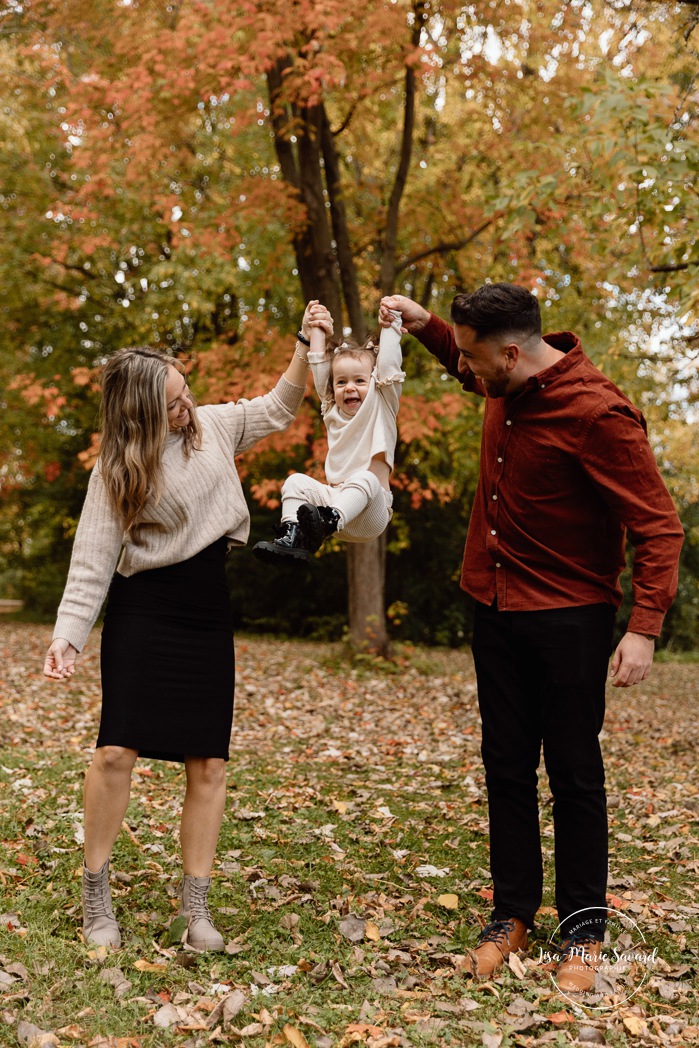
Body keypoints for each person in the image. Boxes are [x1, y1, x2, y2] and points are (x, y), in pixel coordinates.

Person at [379, 284, 683, 993]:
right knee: (505, 767)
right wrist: (425, 326)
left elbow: (657, 525)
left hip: (569, 618)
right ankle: (511, 913)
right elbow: (462, 358)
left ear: (511, 353)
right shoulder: (503, 376)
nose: (470, 372)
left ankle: (581, 928)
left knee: (573, 773)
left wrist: (642, 628)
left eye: (477, 360)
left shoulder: (597, 414)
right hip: (494, 607)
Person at [42, 301, 332, 951]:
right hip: (144, 608)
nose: (186, 406)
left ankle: (195, 909)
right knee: (116, 751)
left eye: (186, 392)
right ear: (140, 412)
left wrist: (304, 342)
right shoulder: (119, 466)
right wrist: (68, 636)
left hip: (206, 607)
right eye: (173, 402)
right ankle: (96, 896)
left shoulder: (214, 427)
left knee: (208, 762)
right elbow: (92, 557)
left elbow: (280, 406)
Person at [253, 306, 404, 563]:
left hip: (371, 512)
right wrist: (316, 329)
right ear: (333, 389)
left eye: (359, 381)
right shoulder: (331, 409)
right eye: (342, 382)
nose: (349, 388)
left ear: (374, 382)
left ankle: (327, 521)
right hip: (336, 501)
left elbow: (389, 364)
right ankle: (295, 536)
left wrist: (391, 323)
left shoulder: (382, 403)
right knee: (295, 482)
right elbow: (319, 365)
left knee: (365, 478)